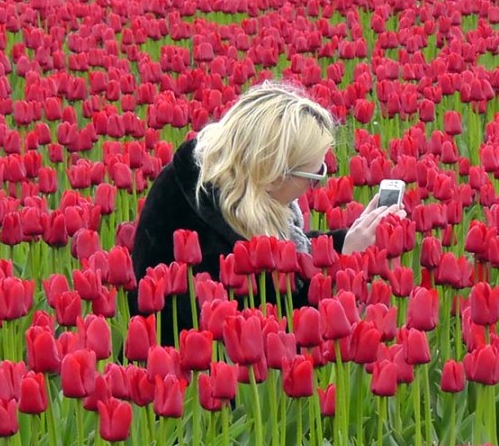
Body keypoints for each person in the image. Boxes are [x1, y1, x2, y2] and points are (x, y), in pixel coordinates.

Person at [128, 81, 404, 346]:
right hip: (208, 383)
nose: (314, 186)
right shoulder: (198, 233)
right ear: (272, 174)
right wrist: (344, 263)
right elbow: (271, 324)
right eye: (312, 175)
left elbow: (282, 256)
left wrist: (344, 241)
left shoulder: (222, 189)